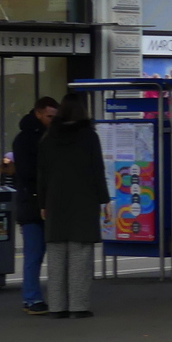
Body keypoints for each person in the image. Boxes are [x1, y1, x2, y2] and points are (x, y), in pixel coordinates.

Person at [36, 92, 110, 317]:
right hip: (83, 202)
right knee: (80, 257)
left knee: (56, 257)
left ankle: (57, 307)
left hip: (55, 202)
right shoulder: (89, 136)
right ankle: (78, 307)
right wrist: (104, 200)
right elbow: (97, 170)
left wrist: (42, 202)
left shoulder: (49, 137)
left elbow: (42, 173)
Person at [10, 96, 59, 315]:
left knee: (39, 253)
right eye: (49, 116)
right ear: (38, 114)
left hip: (39, 200)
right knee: (34, 253)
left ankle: (34, 297)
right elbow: (27, 173)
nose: (52, 120)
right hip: (32, 203)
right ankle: (31, 298)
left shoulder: (48, 136)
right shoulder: (26, 139)